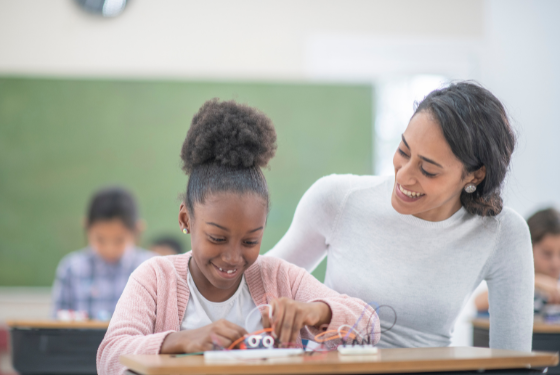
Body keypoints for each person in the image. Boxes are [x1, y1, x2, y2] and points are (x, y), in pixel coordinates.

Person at [97, 100, 379, 374]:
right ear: (186, 219)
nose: (233, 257)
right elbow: (110, 357)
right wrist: (181, 340)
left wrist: (318, 313)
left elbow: (369, 324)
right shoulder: (155, 278)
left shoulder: (279, 278)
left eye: (250, 241)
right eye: (217, 238)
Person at [267, 82, 534, 351]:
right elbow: (258, 282)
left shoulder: (503, 233)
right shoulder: (337, 198)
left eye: (428, 170)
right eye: (403, 151)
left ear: (475, 175)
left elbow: (514, 360)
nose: (403, 175)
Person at [51, 187, 154, 320]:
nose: (109, 249)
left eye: (119, 240)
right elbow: (56, 323)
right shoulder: (72, 268)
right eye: (100, 239)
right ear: (86, 227)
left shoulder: (151, 268)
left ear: (137, 230)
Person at [475, 208, 560, 314]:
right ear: (528, 249)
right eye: (547, 253)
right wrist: (533, 282)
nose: (555, 263)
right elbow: (478, 302)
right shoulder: (515, 277)